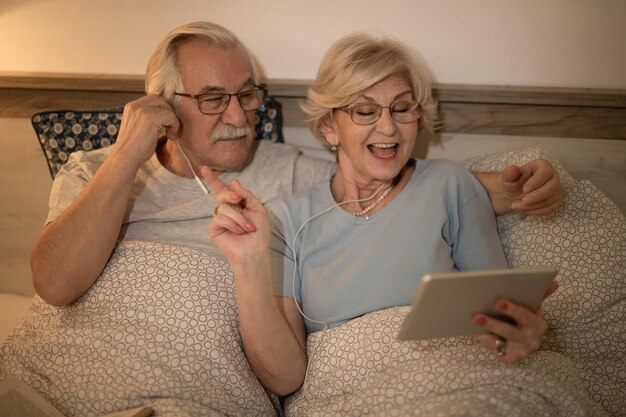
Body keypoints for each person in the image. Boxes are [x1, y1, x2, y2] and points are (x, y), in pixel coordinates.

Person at [31, 22, 560, 308]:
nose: (240, 117)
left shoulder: (286, 172)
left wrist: (521, 188)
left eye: (247, 94)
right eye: (214, 99)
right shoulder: (94, 170)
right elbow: (55, 286)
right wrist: (127, 155)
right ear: (166, 105)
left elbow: (392, 182)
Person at [204, 32, 559, 396]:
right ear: (329, 126)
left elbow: (500, 317)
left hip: (457, 386)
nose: (388, 127)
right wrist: (248, 266)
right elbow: (286, 379)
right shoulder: (284, 221)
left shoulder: (450, 185)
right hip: (345, 400)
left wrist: (516, 335)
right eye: (366, 110)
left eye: (402, 108)